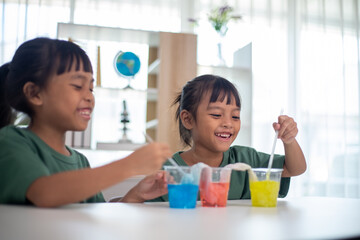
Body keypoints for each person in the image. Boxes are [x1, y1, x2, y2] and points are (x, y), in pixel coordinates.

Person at [0, 37, 171, 207]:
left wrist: (134, 196)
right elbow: (44, 193)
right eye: (77, 86)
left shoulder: (80, 161)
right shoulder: (11, 141)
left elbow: (95, 209)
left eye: (91, 88)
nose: (89, 97)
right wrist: (129, 165)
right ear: (34, 93)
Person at [150, 74, 306, 201]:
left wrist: (289, 141)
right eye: (216, 114)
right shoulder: (170, 173)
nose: (228, 123)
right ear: (188, 119)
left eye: (235, 116)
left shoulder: (246, 160)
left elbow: (294, 169)